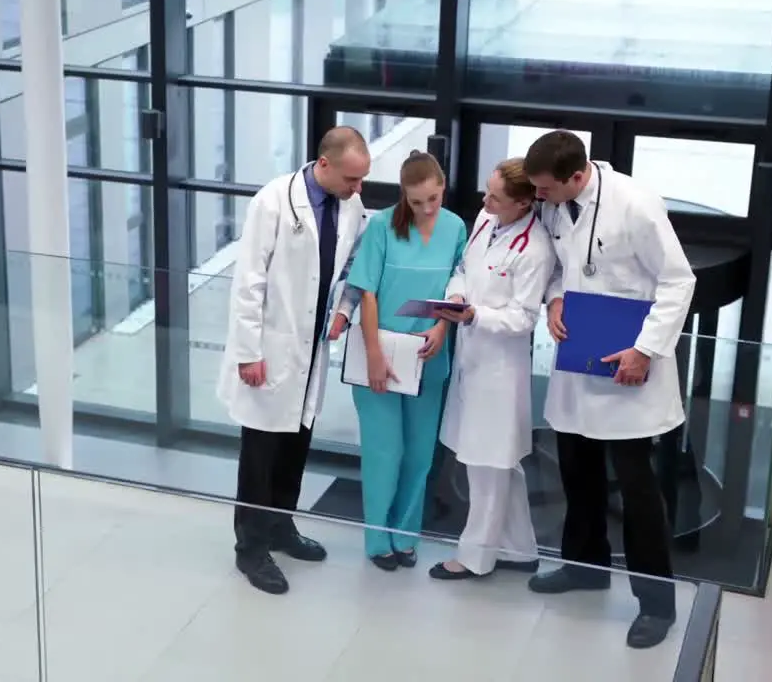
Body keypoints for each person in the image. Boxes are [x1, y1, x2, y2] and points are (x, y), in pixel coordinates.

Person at [522, 130, 696, 649]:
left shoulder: (636, 206)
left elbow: (678, 281)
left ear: (576, 177)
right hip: (579, 362)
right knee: (578, 475)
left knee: (638, 495)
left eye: (546, 189)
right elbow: (558, 266)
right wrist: (554, 299)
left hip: (629, 368)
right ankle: (584, 567)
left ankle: (656, 606)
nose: (539, 198)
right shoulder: (557, 203)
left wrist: (646, 350)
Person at [218, 126, 371, 595]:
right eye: (350, 179)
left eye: (361, 180)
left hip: (311, 352)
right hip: (269, 349)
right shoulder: (273, 201)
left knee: (296, 447)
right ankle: (251, 550)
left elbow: (349, 269)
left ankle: (282, 528)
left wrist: (344, 312)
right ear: (323, 165)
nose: (357, 189)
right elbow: (249, 282)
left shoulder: (351, 205)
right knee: (260, 457)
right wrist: (248, 352)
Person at [428, 158, 554, 582]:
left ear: (523, 202)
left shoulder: (535, 249)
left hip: (501, 370)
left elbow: (522, 318)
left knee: (487, 465)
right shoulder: (486, 219)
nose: (485, 200)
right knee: (500, 465)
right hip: (472, 355)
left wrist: (474, 315)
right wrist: (458, 296)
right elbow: (463, 269)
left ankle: (475, 557)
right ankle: (520, 549)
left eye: (495, 196)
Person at [341, 151, 466, 571]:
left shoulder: (455, 228)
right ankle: (378, 541)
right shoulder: (380, 227)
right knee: (384, 452)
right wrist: (375, 355)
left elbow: (457, 287)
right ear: (403, 197)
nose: (426, 208)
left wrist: (442, 329)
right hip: (379, 357)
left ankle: (405, 536)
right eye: (416, 202)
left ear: (442, 187)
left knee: (418, 455)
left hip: (428, 356)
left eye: (432, 198)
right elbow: (367, 292)